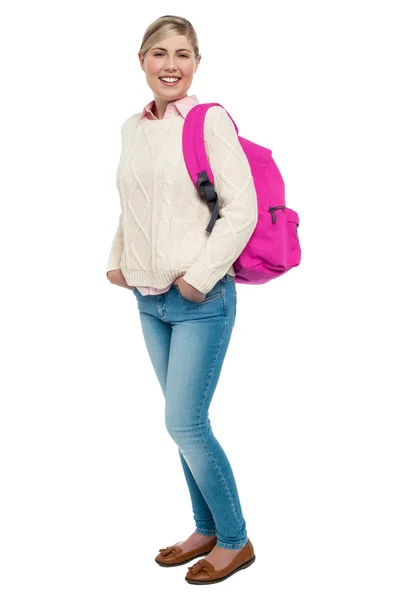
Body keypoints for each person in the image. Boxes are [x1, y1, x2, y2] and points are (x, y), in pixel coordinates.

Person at [106, 15, 257, 585]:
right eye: (159, 53)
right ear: (141, 60)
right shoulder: (131, 127)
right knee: (181, 424)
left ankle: (236, 539)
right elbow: (132, 201)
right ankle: (205, 527)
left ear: (196, 63)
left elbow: (240, 209)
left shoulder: (206, 119)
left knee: (185, 422)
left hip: (200, 297)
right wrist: (118, 259)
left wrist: (197, 277)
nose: (171, 64)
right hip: (147, 298)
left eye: (183, 55)